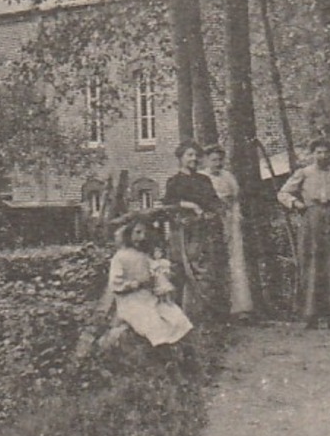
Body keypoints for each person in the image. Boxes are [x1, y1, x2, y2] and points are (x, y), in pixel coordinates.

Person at [278, 137, 330, 329]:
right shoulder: (304, 173)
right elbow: (283, 193)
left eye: (326, 152)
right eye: (318, 152)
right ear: (313, 154)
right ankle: (310, 315)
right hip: (311, 220)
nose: (322, 156)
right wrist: (296, 204)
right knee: (311, 265)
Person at [106, 218, 193, 347]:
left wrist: (162, 286)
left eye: (144, 233)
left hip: (149, 297)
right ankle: (160, 354)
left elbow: (156, 275)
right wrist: (132, 284)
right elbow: (115, 283)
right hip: (130, 300)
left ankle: (177, 357)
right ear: (128, 234)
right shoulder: (120, 257)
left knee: (177, 318)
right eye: (137, 233)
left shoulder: (144, 256)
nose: (141, 237)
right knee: (153, 324)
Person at [163, 142, 224, 319]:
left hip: (203, 231)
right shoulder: (174, 182)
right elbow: (168, 204)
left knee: (204, 271)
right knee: (181, 269)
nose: (194, 159)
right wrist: (189, 205)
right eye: (189, 155)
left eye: (196, 155)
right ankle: (179, 315)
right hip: (183, 233)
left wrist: (213, 213)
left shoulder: (204, 180)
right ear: (181, 158)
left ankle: (204, 315)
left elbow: (214, 202)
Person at [204, 145, 254, 318]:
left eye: (220, 160)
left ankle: (239, 307)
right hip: (211, 223)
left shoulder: (228, 177)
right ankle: (216, 307)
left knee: (235, 261)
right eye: (213, 160)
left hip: (229, 221)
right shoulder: (203, 178)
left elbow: (235, 199)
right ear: (206, 161)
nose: (217, 164)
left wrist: (234, 216)